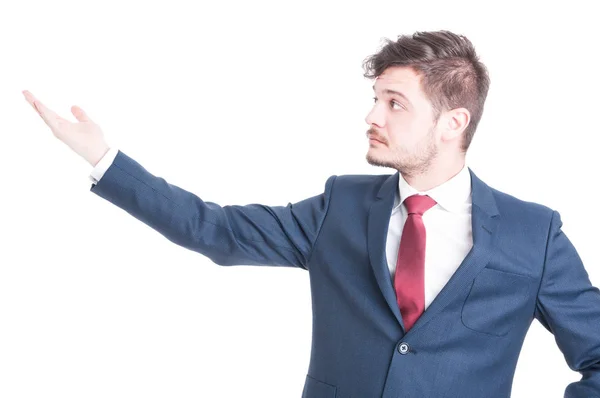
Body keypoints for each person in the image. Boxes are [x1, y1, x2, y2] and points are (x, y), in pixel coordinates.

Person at [23, 30, 600, 398]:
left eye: (394, 103)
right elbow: (215, 230)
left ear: (454, 123)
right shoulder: (341, 206)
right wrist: (103, 157)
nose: (372, 114)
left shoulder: (535, 233)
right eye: (375, 97)